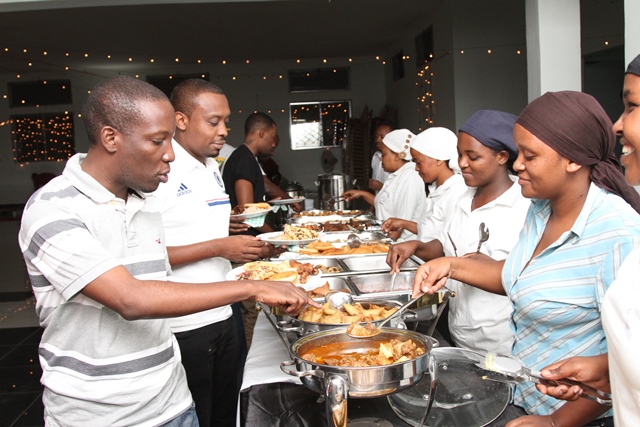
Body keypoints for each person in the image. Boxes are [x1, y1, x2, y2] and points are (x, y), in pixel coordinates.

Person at [17, 75, 315, 426]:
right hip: (99, 416)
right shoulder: (52, 208)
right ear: (111, 138)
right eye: (158, 141)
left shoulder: (143, 200)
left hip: (173, 402)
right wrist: (253, 287)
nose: (171, 154)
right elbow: (130, 298)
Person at [412, 91, 640, 426]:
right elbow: (520, 276)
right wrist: (451, 265)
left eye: (530, 156)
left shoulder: (618, 234)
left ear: (573, 161)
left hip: (580, 416)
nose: (517, 165)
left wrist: (555, 422)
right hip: (525, 396)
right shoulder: (541, 209)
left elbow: (630, 356)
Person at [533, 54, 640, 427]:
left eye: (632, 106)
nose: (617, 124)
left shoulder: (621, 228)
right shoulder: (538, 211)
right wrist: (605, 368)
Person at [153, 78, 267, 427]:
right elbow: (148, 255)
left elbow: (192, 220)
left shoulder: (210, 166)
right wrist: (219, 246)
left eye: (226, 122)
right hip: (187, 323)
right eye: (213, 121)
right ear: (181, 120)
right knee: (200, 413)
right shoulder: (160, 172)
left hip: (224, 310)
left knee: (227, 411)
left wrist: (224, 225)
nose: (223, 131)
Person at [387, 112, 530, 355]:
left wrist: (453, 266)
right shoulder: (463, 198)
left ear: (502, 156)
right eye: (460, 154)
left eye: (472, 157)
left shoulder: (523, 205)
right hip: (462, 332)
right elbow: (446, 246)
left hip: (502, 340)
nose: (462, 163)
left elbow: (520, 275)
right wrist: (416, 247)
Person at [381, 126, 467, 242]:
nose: (416, 168)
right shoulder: (436, 189)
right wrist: (404, 223)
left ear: (439, 159)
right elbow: (430, 231)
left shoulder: (457, 192)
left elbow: (448, 242)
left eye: (418, 162)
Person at [341, 129, 427, 241]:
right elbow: (385, 204)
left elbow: (400, 225)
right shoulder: (396, 175)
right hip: (388, 238)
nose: (381, 158)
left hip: (401, 245)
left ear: (397, 156)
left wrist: (382, 246)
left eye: (384, 154)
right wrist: (362, 194)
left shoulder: (410, 177)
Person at [223, 112, 285, 239]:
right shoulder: (244, 160)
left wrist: (267, 205)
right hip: (246, 240)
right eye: (273, 138)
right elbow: (247, 212)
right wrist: (276, 236)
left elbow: (251, 205)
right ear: (262, 133)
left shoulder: (248, 157)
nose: (273, 144)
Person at [369, 121, 394, 192]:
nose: (377, 140)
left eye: (382, 137)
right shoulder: (375, 156)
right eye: (376, 136)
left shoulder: (399, 160)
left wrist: (381, 187)